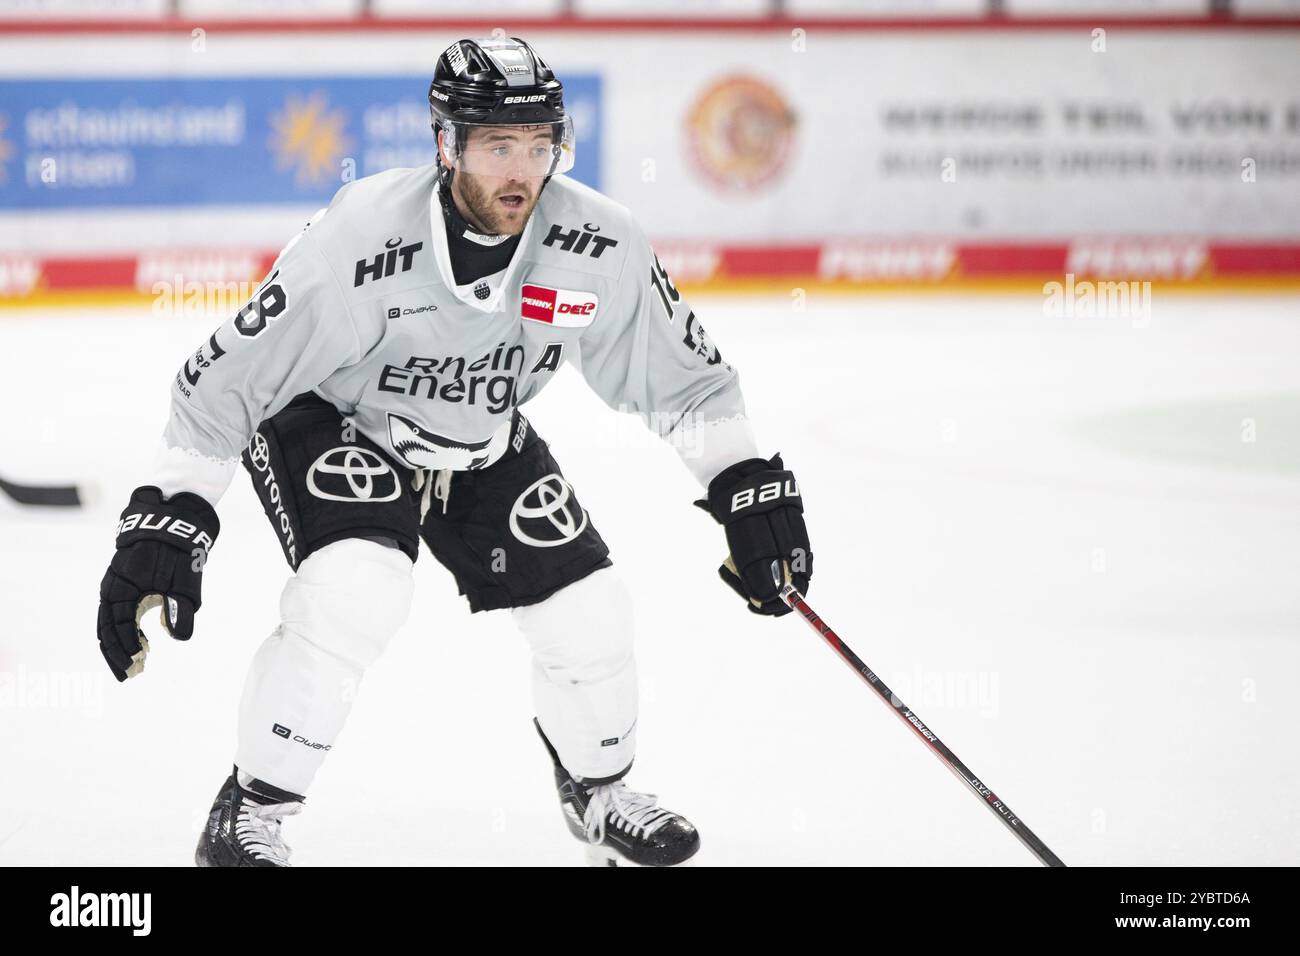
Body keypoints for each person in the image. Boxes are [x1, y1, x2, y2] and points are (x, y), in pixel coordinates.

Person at [95, 37, 812, 867]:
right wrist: (172, 511)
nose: (523, 171)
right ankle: (251, 806)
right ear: (448, 145)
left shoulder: (595, 242)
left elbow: (682, 379)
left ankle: (599, 789)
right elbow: (228, 377)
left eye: (541, 145)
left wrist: (745, 484)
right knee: (359, 586)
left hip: (482, 430)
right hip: (335, 418)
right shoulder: (361, 237)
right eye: (499, 145)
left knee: (591, 606)